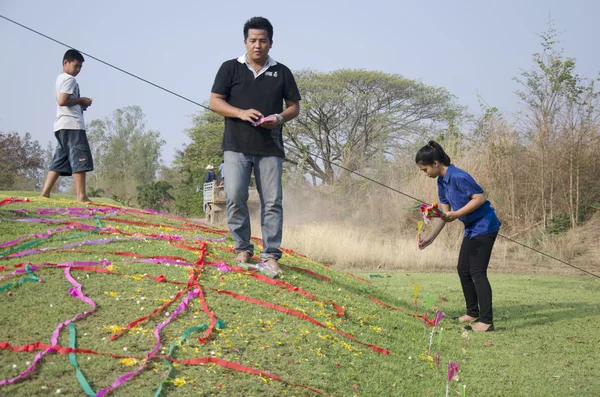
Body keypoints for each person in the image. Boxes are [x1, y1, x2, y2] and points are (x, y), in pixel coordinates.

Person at [209, 16, 301, 275]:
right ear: (245, 42)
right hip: (235, 145)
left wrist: (279, 118)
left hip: (270, 147)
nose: (257, 45)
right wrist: (239, 113)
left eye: (262, 41)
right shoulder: (230, 68)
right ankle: (243, 248)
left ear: (271, 43)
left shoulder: (281, 72)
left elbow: (295, 107)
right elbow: (215, 101)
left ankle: (271, 254)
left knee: (272, 201)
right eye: (252, 40)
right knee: (235, 196)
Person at [416, 141, 501, 332]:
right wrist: (430, 238)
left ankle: (486, 322)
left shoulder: (458, 176)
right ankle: (472, 312)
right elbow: (444, 214)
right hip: (471, 228)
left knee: (477, 272)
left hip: (485, 226)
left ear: (436, 163)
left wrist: (456, 214)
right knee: (463, 269)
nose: (425, 173)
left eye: (425, 169)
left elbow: (480, 198)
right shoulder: (441, 182)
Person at [41, 49, 94, 202]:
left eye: (80, 67)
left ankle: (45, 193)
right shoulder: (70, 80)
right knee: (80, 158)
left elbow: (65, 101)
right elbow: (63, 101)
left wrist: (81, 105)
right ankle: (81, 196)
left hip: (61, 125)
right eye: (76, 66)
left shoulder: (60, 79)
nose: (78, 70)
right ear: (66, 63)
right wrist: (81, 100)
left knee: (60, 159)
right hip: (72, 125)